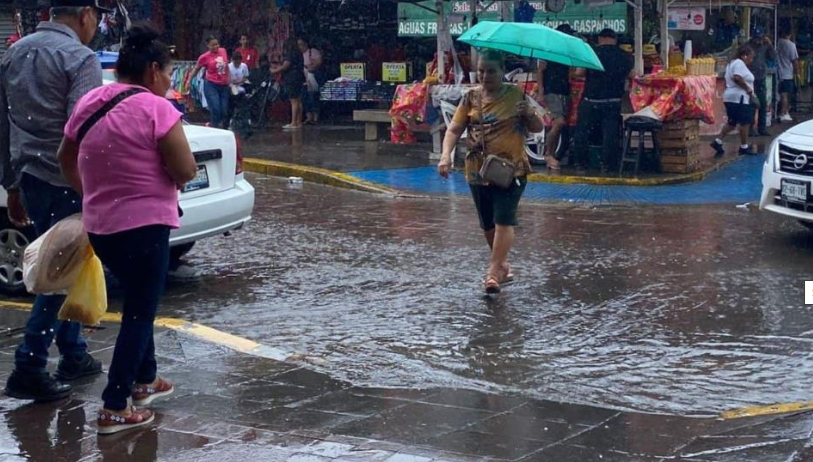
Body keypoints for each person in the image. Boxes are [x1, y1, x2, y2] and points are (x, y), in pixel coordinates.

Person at [58, 23, 197, 434]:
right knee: (139, 312)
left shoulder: (90, 101)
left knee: (139, 301)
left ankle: (145, 379)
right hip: (146, 227)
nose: (168, 82)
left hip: (102, 227)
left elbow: (65, 155)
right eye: (168, 73)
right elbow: (186, 169)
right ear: (153, 70)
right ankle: (115, 405)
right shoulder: (157, 109)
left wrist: (91, 193)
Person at [0, 0, 107, 403]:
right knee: (58, 272)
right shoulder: (80, 58)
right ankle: (29, 365)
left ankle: (73, 352)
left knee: (66, 265)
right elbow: (83, 129)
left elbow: (3, 125)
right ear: (86, 15)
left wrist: (12, 185)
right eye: (97, 17)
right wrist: (94, 185)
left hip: (30, 177)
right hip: (68, 179)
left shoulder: (15, 53)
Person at [437, 50, 543, 294]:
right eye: (481, 71)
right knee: (487, 224)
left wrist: (529, 113)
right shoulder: (470, 97)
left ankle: (493, 273)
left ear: (502, 71)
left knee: (504, 219)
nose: (485, 76)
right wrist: (446, 155)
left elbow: (538, 127)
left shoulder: (517, 95)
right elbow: (454, 129)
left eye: (491, 71)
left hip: (512, 170)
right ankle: (502, 265)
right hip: (478, 170)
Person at [572, 28, 635, 172]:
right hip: (613, 100)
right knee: (610, 134)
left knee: (582, 131)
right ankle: (607, 165)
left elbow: (579, 72)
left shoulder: (592, 53)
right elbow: (633, 75)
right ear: (615, 39)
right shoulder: (625, 56)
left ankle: (580, 163)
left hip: (591, 99)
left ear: (600, 38)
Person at [536, 24, 577, 171]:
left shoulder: (567, 52)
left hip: (564, 91)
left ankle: (552, 154)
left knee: (560, 124)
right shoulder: (547, 50)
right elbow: (540, 71)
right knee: (559, 122)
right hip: (551, 90)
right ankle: (548, 154)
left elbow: (570, 72)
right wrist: (541, 92)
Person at [710, 45, 757, 157]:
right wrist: (747, 89)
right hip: (740, 98)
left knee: (732, 122)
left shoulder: (732, 63)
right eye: (751, 57)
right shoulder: (739, 63)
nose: (751, 60)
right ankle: (744, 146)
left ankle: (718, 141)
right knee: (745, 122)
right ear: (744, 56)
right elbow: (737, 77)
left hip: (732, 97)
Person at [188, 36, 230, 129]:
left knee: (224, 110)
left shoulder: (223, 51)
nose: (216, 47)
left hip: (224, 85)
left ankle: (218, 126)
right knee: (215, 108)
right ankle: (214, 127)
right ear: (208, 46)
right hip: (211, 84)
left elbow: (227, 66)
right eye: (213, 45)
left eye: (217, 44)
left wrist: (229, 79)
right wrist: (189, 81)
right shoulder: (204, 57)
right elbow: (196, 69)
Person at [747, 27, 776, 137]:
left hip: (761, 77)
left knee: (763, 103)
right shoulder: (747, 46)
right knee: (752, 104)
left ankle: (762, 128)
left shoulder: (765, 46)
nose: (758, 41)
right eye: (756, 38)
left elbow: (773, 57)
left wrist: (770, 45)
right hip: (750, 78)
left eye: (760, 38)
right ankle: (750, 128)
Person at [271, 38, 304, 131]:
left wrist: (274, 70)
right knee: (298, 100)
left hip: (291, 78)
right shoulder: (299, 53)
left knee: (293, 101)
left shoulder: (290, 53)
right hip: (299, 77)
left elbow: (285, 66)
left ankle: (293, 122)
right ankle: (298, 121)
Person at [776, 27, 799, 123]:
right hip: (787, 72)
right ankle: (783, 113)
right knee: (785, 95)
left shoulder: (778, 42)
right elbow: (795, 61)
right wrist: (797, 73)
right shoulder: (791, 45)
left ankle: (784, 112)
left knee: (782, 94)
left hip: (779, 72)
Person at [298, 37, 322, 125]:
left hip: (312, 78)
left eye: (301, 44)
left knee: (313, 97)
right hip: (303, 80)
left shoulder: (313, 52)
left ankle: (315, 117)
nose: (300, 47)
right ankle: (309, 117)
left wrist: (311, 66)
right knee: (304, 98)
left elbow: (319, 62)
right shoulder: (298, 54)